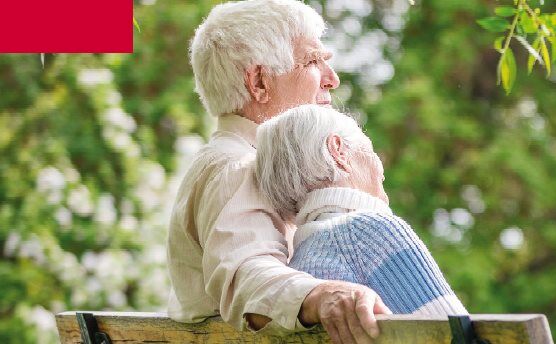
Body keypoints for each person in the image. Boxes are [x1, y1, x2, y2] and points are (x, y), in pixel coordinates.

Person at [166, 1, 389, 343]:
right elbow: (247, 273)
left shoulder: (247, 162)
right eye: (313, 61)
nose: (332, 79)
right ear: (259, 83)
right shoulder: (237, 165)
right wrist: (322, 296)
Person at [255, 105, 468, 315]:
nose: (380, 166)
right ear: (338, 152)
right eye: (370, 149)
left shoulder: (298, 263)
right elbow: (456, 332)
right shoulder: (369, 232)